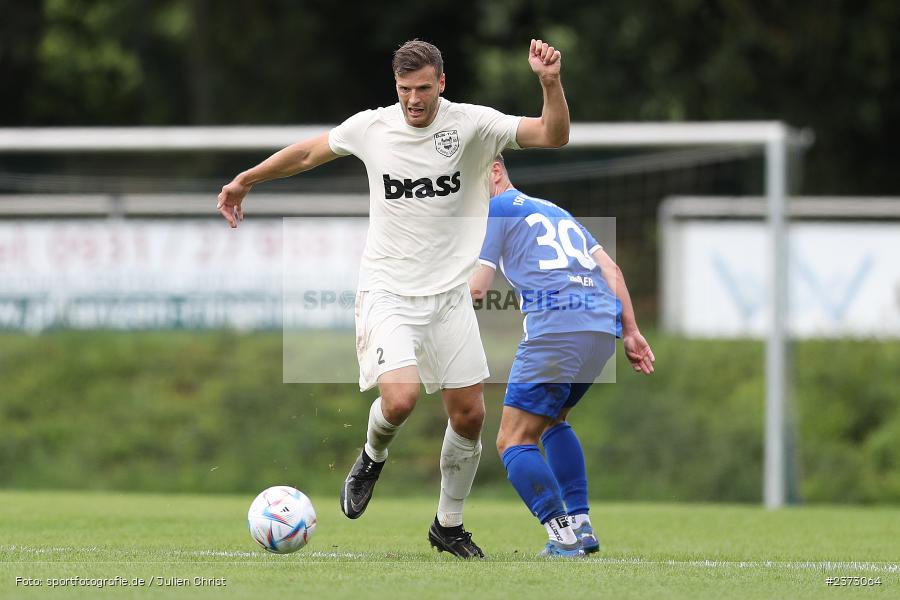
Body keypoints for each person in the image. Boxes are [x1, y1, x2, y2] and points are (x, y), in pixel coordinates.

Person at [216, 39, 570, 558]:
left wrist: (550, 82)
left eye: (423, 89)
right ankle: (372, 456)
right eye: (405, 90)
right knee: (400, 400)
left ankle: (447, 525)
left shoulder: (473, 125)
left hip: (448, 296)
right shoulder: (373, 127)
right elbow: (309, 152)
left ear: (441, 84)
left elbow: (553, 135)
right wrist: (246, 180)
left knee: (470, 416)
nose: (414, 101)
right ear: (396, 88)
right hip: (387, 291)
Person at [468, 155, 655, 557]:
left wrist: (430, 308)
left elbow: (478, 289)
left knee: (512, 440)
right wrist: (633, 331)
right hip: (600, 332)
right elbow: (613, 272)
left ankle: (563, 536)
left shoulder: (498, 209)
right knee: (553, 420)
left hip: (556, 330)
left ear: (496, 170)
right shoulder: (558, 212)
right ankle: (581, 525)